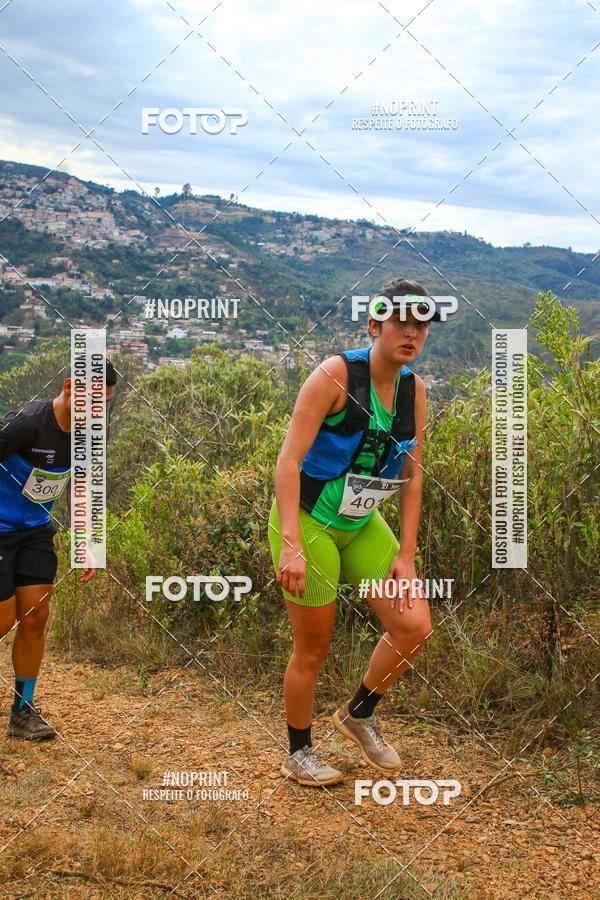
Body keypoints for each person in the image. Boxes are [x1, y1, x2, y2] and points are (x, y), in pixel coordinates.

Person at [269, 278, 441, 786]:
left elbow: (413, 475)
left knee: (413, 626)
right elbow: (289, 460)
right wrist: (292, 545)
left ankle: (358, 714)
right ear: (374, 325)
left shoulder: (415, 390)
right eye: (399, 322)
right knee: (313, 647)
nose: (411, 332)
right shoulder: (336, 375)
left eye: (421, 324)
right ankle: (298, 751)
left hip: (361, 521)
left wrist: (406, 554)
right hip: (308, 522)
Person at [0, 361, 117, 739]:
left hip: (35, 532)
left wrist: (87, 544)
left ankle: (23, 711)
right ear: (69, 387)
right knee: (2, 621)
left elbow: (82, 489)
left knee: (35, 617)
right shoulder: (28, 423)